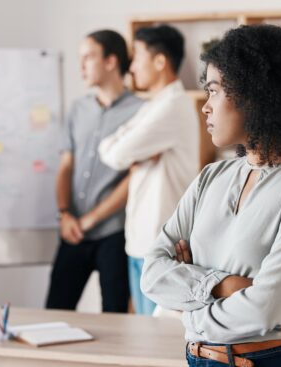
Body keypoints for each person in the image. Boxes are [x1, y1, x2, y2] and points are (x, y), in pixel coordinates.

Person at [141, 25, 281, 367]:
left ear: (258, 94)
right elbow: (152, 273)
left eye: (215, 91)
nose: (206, 107)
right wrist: (223, 285)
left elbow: (269, 308)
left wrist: (187, 315)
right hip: (201, 360)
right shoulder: (212, 177)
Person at [98, 24, 200, 315]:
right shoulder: (153, 106)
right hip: (141, 239)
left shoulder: (173, 106)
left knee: (157, 338)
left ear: (159, 61)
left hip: (160, 242)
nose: (131, 67)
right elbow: (109, 148)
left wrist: (131, 153)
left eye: (137, 57)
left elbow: (118, 153)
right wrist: (135, 153)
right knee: (145, 331)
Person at [45, 30, 143, 312]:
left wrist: (90, 220)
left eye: (88, 57)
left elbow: (134, 178)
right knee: (56, 309)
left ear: (111, 61)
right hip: (71, 228)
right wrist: (65, 214)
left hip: (113, 233)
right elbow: (66, 166)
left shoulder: (141, 111)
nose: (82, 66)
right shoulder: (78, 109)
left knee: (115, 317)